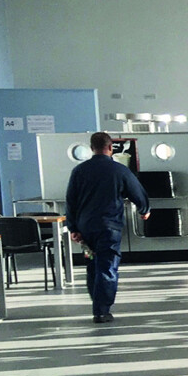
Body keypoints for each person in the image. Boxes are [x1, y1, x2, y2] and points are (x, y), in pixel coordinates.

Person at [65, 131, 149, 323]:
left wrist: (73, 228)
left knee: (93, 265)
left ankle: (97, 304)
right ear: (111, 147)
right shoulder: (119, 170)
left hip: (86, 228)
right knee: (107, 266)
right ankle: (101, 311)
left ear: (91, 148)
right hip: (109, 227)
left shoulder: (79, 171)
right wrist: (144, 209)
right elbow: (137, 192)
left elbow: (70, 201)